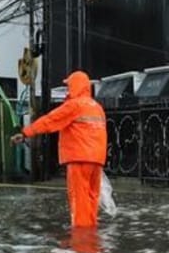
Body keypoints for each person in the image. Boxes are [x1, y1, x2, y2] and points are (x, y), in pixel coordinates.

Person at [11, 70, 106, 228]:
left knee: (79, 200)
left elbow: (50, 121)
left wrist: (25, 133)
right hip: (96, 160)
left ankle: (82, 238)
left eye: (69, 86)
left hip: (79, 158)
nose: (68, 90)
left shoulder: (74, 105)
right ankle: (91, 231)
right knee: (92, 199)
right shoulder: (97, 107)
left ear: (75, 86)